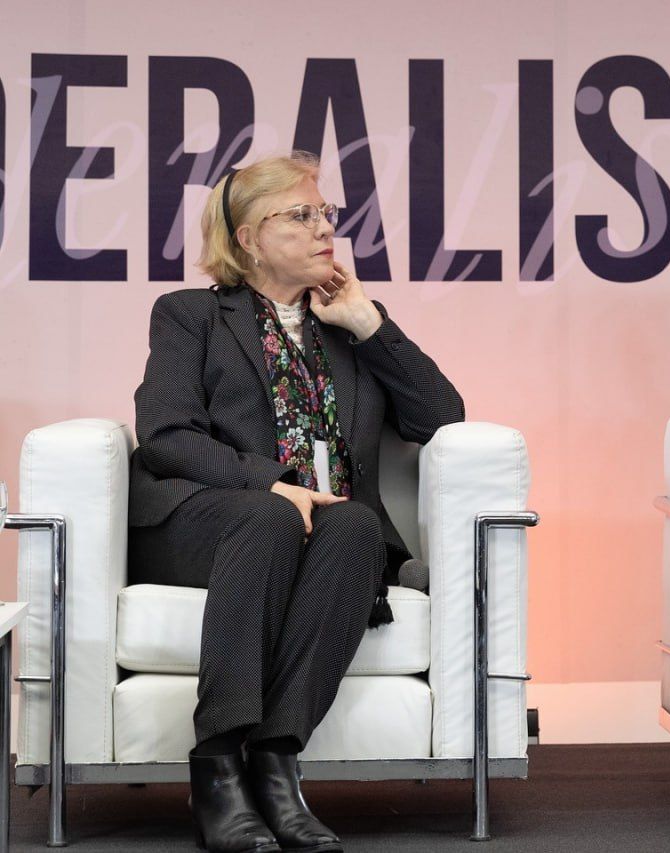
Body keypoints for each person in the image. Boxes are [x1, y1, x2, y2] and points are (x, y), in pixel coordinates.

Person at [128, 151, 464, 853]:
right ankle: (217, 761)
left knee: (355, 526)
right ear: (247, 238)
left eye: (326, 214)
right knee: (275, 512)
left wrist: (369, 323)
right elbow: (165, 435)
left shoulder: (346, 324)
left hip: (318, 529)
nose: (324, 230)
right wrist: (267, 480)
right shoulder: (191, 315)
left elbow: (443, 417)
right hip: (206, 517)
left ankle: (276, 763)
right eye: (300, 215)